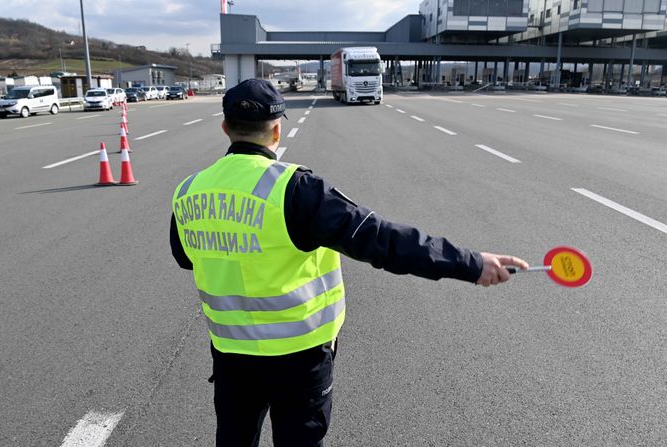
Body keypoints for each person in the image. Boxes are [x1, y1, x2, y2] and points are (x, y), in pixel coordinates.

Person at [170, 78, 529, 447]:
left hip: (232, 358)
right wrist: (470, 264)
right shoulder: (297, 190)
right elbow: (382, 241)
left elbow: (186, 258)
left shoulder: (188, 191)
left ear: (225, 127)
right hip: (299, 359)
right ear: (276, 130)